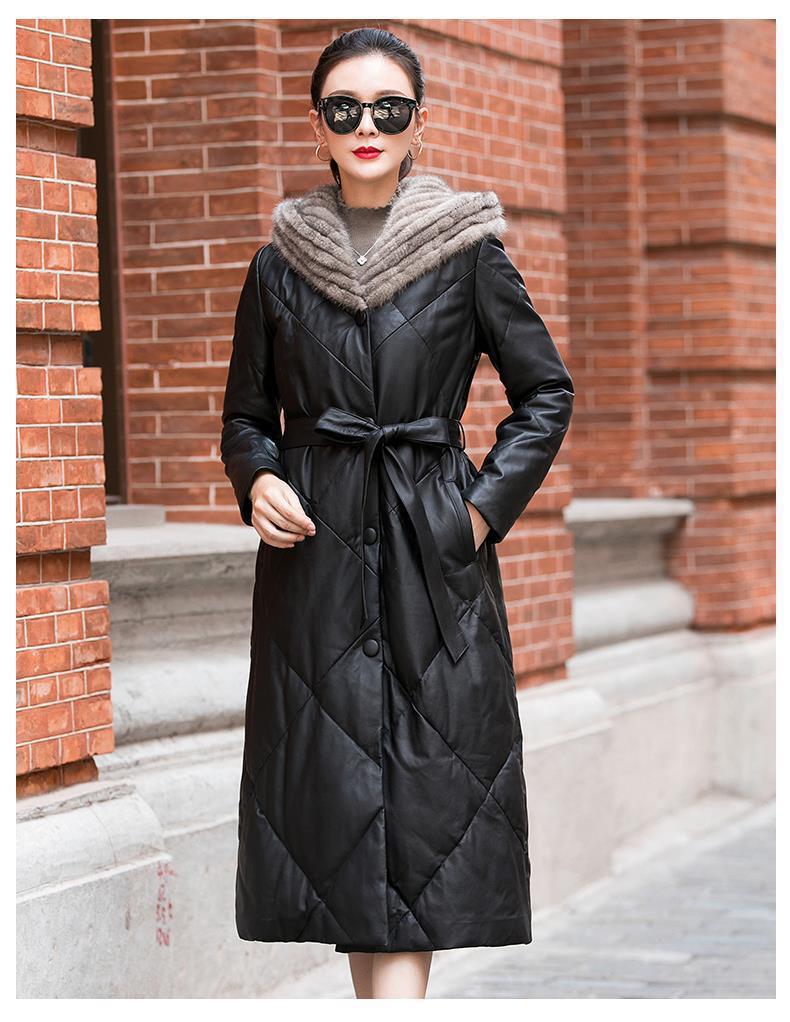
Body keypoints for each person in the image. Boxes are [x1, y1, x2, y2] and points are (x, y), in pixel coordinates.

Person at [220, 27, 574, 999]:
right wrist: (258, 479)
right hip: (318, 566)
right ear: (318, 125)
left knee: (423, 808)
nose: (366, 125)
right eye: (344, 108)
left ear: (419, 122)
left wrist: (478, 513)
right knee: (341, 816)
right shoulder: (278, 264)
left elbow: (544, 391)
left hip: (432, 555)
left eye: (389, 107)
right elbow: (247, 414)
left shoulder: (467, 252)